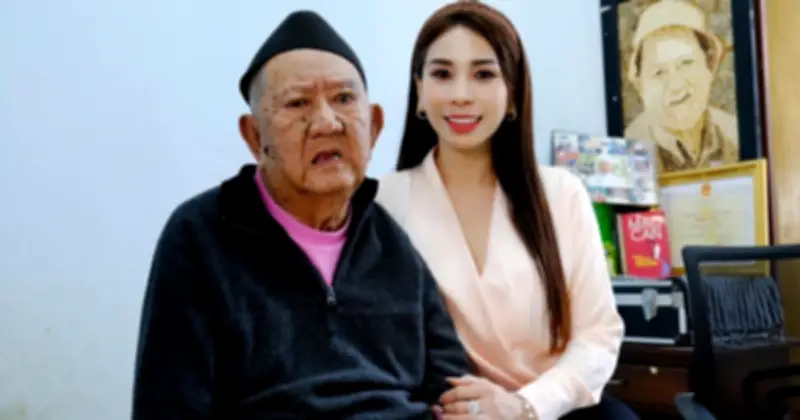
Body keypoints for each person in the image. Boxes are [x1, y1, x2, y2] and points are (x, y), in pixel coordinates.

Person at [132, 10, 471, 419]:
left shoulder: (391, 243)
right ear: (254, 136)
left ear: (374, 127)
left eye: (344, 99)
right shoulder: (200, 235)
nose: (327, 122)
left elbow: (455, 388)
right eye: (298, 103)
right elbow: (168, 406)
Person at [376, 2, 634, 419]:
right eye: (442, 74)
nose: (461, 94)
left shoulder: (561, 193)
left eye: (483, 74)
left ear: (512, 92)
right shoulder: (385, 201)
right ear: (420, 90)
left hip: (555, 410)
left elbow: (598, 335)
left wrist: (524, 405)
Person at [624, 0, 739, 173]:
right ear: (641, 87)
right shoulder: (627, 155)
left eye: (686, 63)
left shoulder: (735, 135)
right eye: (659, 72)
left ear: (709, 66)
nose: (675, 85)